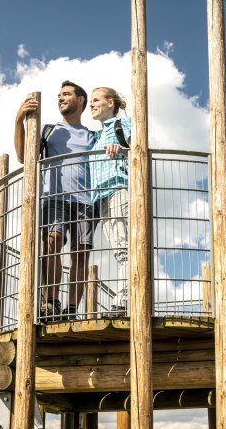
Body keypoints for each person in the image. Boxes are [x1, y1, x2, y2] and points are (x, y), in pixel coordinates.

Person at [14, 80, 95, 320]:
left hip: (85, 202)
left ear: (81, 100)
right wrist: (18, 120)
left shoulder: (92, 135)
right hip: (55, 196)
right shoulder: (49, 130)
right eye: (59, 95)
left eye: (66, 94)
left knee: (81, 253)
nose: (60, 98)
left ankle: (71, 309)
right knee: (52, 241)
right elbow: (22, 156)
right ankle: (51, 301)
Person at [89, 87, 131, 316]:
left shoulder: (123, 125)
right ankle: (125, 298)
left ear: (111, 103)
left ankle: (124, 300)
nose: (91, 105)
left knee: (124, 248)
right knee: (119, 249)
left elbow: (140, 151)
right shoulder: (96, 137)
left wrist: (122, 149)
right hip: (101, 197)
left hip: (119, 189)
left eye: (96, 100)